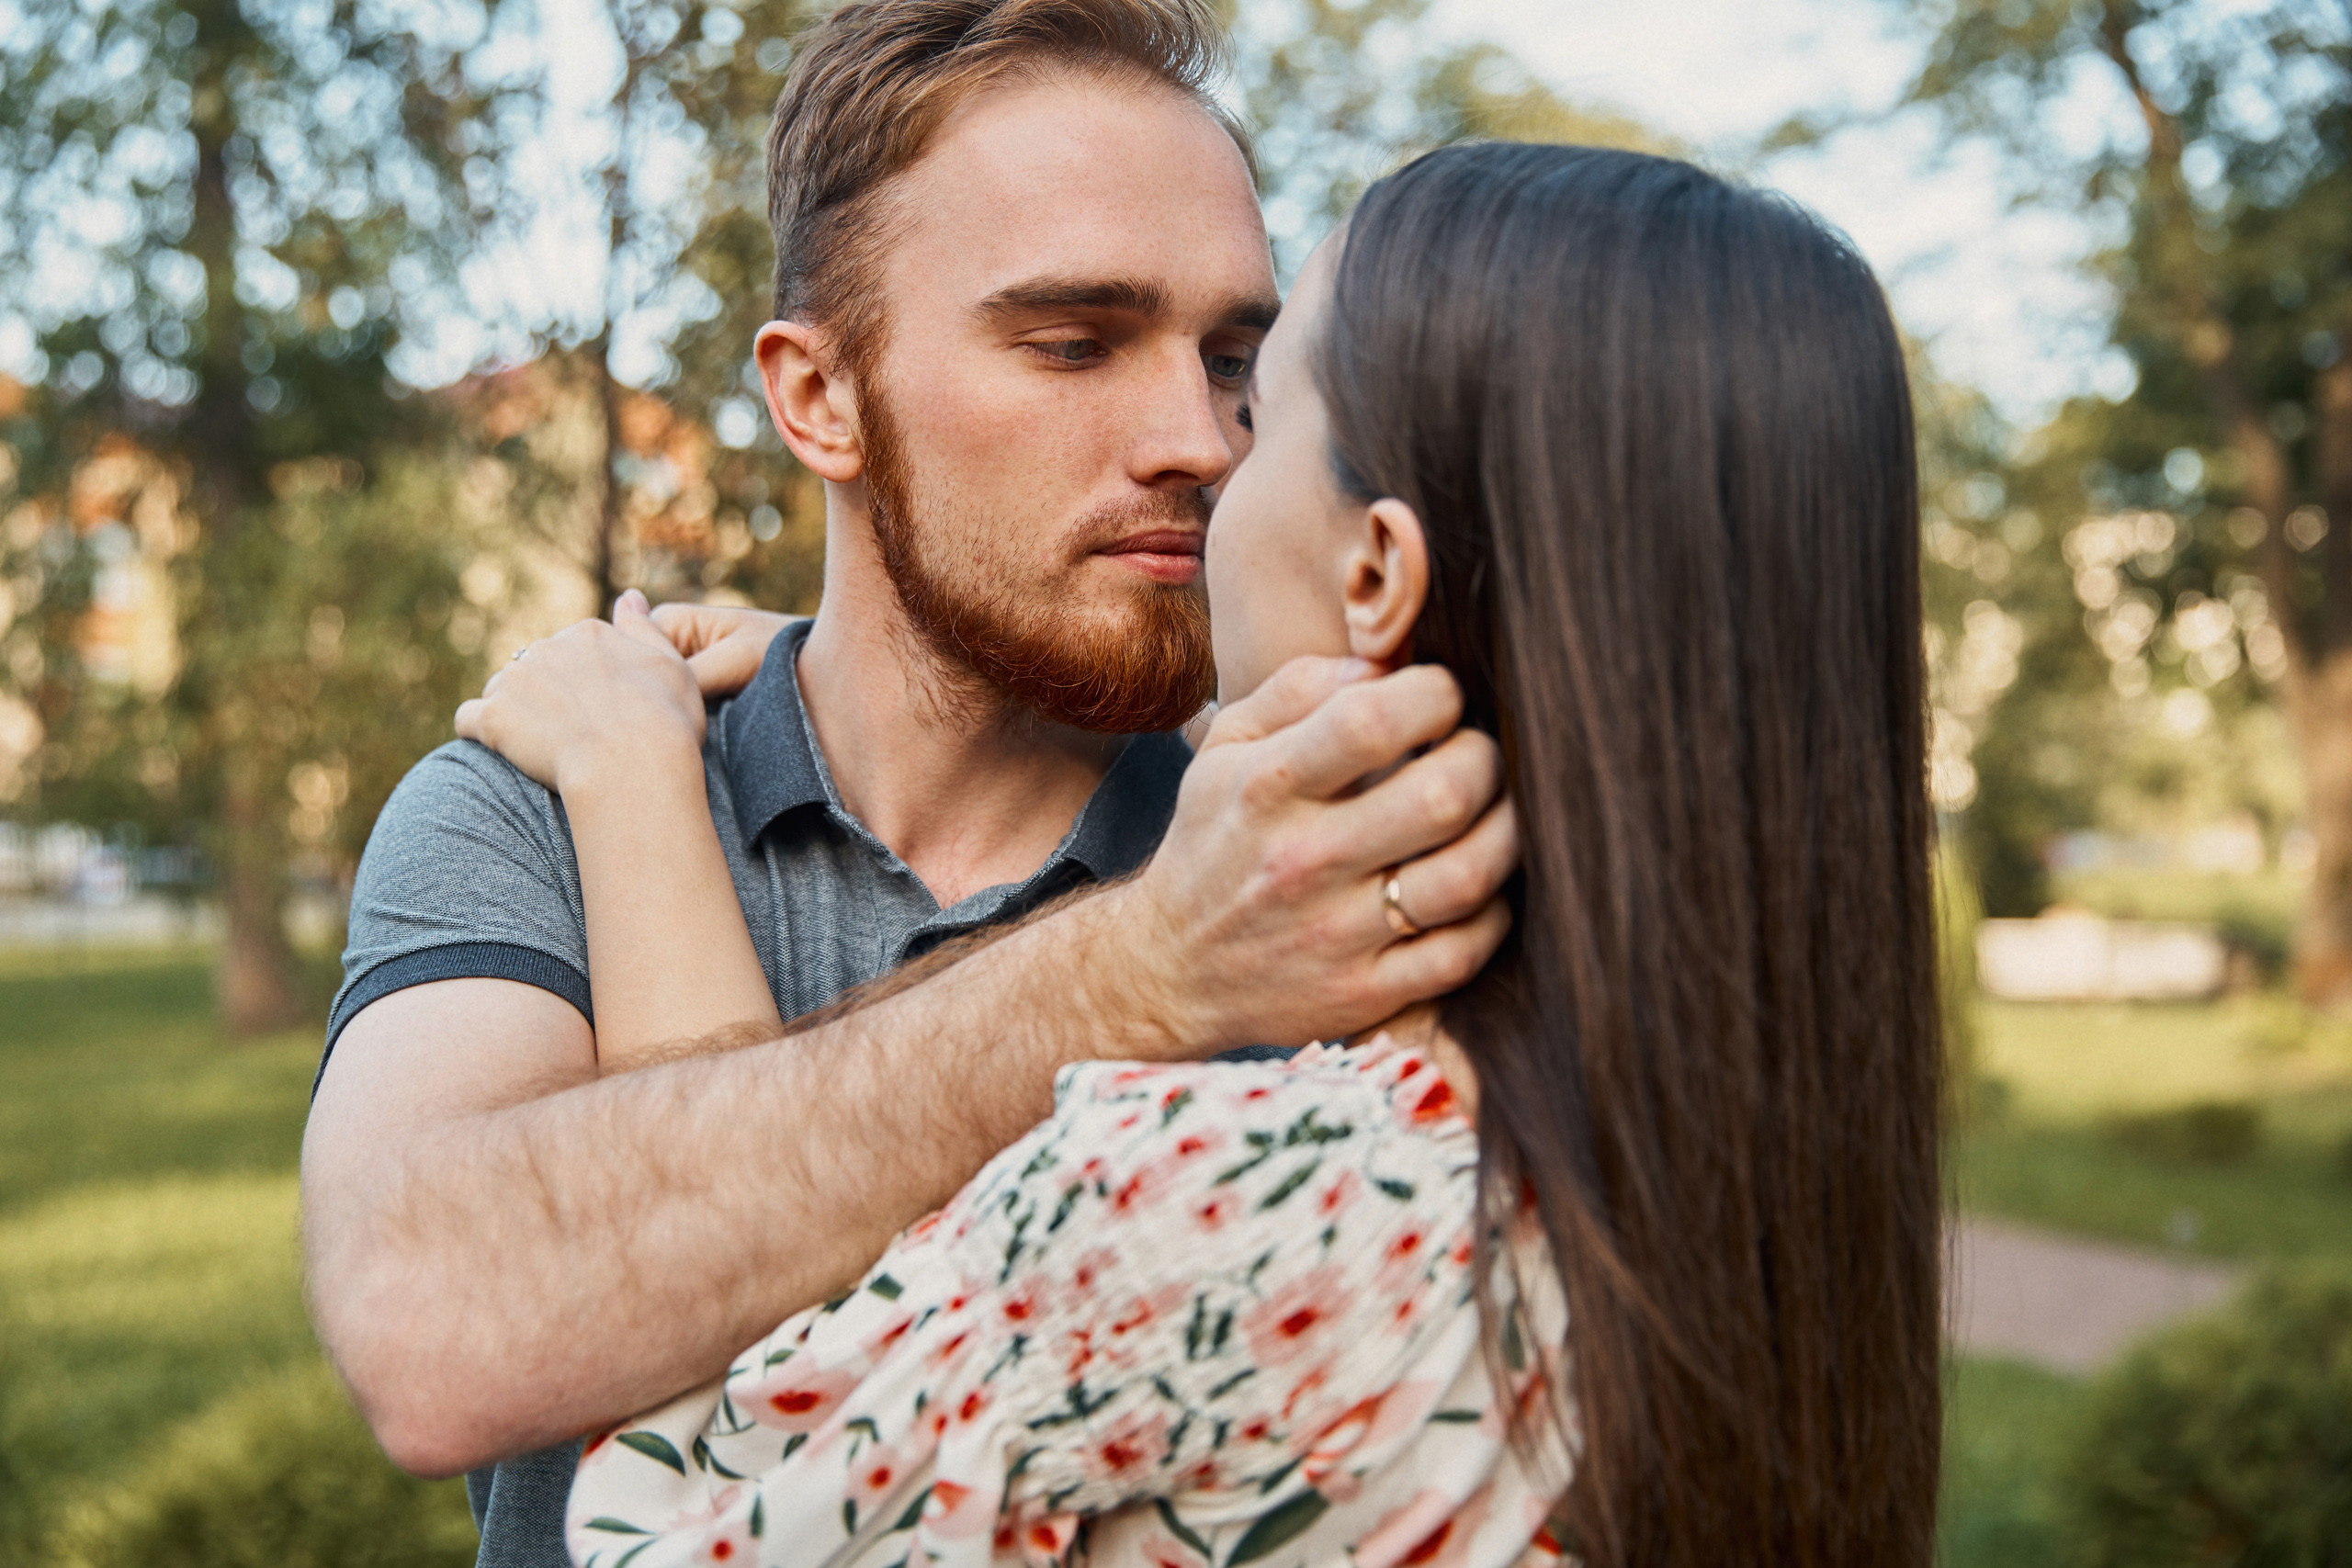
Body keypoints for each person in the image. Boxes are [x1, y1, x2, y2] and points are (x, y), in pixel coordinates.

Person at [472, 143, 1946, 1568]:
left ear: (1375, 572)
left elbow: (697, 1509)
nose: (1203, 451)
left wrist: (635, 773)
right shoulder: (1759, 1188)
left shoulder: (1217, 1198)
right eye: (1072, 344)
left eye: (1259, 387)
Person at [299, 2, 1516, 1564]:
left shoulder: (1340, 846)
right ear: (820, 398)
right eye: (1073, 342)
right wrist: (1140, 971)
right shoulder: (534, 795)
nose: (1199, 439)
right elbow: (431, 1328)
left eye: (1236, 362)